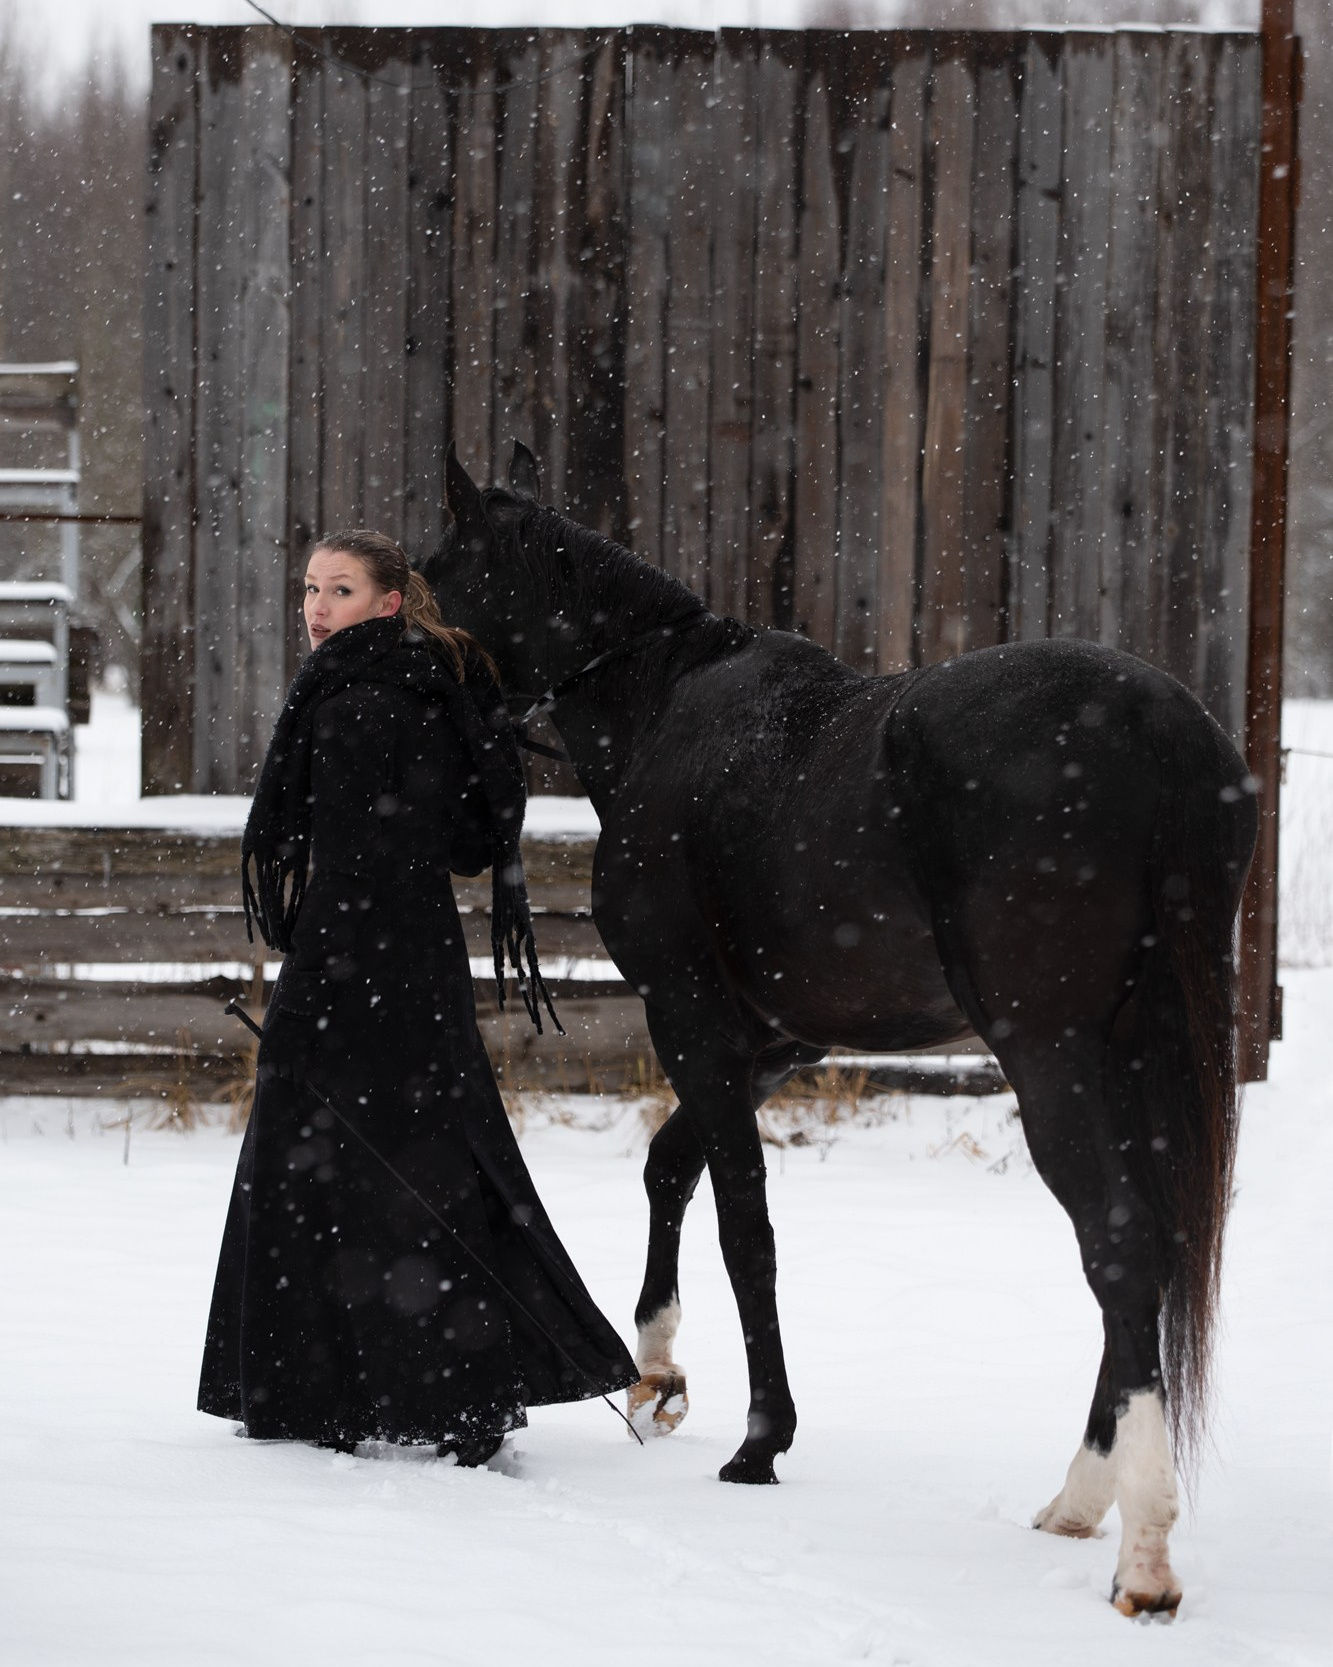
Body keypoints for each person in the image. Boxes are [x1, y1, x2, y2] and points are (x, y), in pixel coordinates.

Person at [198, 529, 637, 1463]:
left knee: (332, 1165)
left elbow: (366, 855)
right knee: (423, 1160)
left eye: (341, 590)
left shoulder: (356, 700)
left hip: (360, 958)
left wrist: (321, 978)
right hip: (409, 955)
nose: (317, 609)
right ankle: (445, 1393)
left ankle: (324, 1393)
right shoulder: (423, 687)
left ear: (388, 602)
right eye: (310, 589)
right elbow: (467, 840)